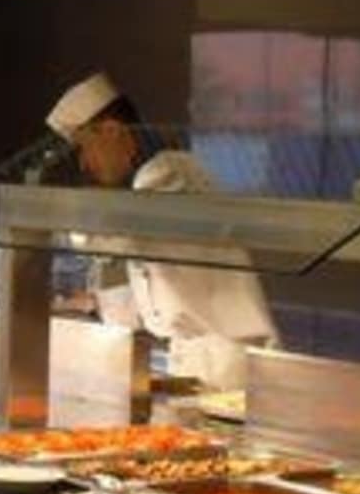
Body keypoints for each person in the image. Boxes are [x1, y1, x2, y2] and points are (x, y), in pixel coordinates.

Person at [44, 72, 278, 391]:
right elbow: (163, 282)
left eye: (85, 147)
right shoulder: (149, 183)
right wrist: (94, 301)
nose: (85, 164)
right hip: (200, 362)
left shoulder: (170, 174)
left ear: (112, 130)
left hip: (229, 370)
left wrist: (54, 219)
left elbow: (113, 239)